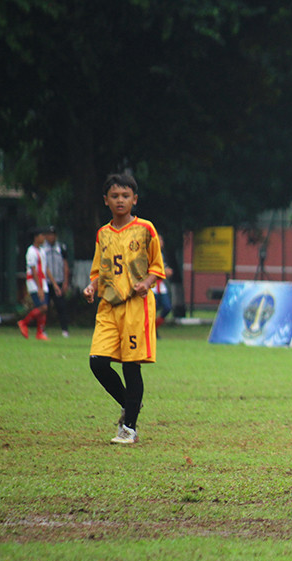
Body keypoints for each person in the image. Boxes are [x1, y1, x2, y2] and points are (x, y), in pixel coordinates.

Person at [83, 173, 165, 444]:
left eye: (125, 196)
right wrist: (92, 287)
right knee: (97, 362)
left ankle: (128, 428)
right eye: (115, 196)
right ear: (106, 200)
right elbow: (99, 269)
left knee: (131, 367)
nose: (120, 200)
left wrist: (147, 282)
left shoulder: (145, 229)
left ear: (134, 200)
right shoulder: (103, 233)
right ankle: (130, 404)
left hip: (135, 307)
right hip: (108, 306)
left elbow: (156, 267)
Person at [17, 228, 50, 341]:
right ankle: (23, 322)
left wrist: (54, 284)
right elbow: (33, 270)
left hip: (43, 282)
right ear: (36, 237)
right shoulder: (31, 251)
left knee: (43, 308)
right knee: (42, 307)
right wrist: (39, 288)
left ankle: (40, 332)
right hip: (34, 283)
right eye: (42, 235)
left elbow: (45, 268)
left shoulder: (42, 251)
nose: (43, 238)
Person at [42, 226, 71, 337]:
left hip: (59, 281)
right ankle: (42, 329)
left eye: (53, 234)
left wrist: (65, 281)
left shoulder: (61, 248)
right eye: (49, 235)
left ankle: (65, 329)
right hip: (46, 282)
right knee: (45, 306)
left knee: (61, 306)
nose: (51, 237)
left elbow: (65, 265)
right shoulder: (43, 249)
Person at [153, 234, 175, 329]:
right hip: (152, 286)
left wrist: (167, 271)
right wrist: (163, 271)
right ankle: (151, 330)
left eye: (161, 240)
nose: (161, 242)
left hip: (161, 285)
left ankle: (155, 327)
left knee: (167, 307)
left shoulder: (161, 254)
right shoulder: (150, 254)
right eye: (159, 240)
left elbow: (163, 267)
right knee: (153, 308)